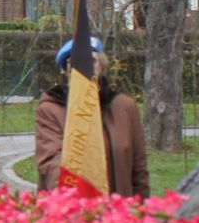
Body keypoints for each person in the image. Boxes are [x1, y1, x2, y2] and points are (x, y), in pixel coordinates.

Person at [33, 37, 151, 197]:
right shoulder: (51, 109)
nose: (83, 67)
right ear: (66, 70)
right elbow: (51, 160)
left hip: (119, 212)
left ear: (101, 65)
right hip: (72, 209)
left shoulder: (125, 107)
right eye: (74, 62)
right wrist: (73, 199)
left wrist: (141, 211)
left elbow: (139, 169)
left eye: (90, 60)